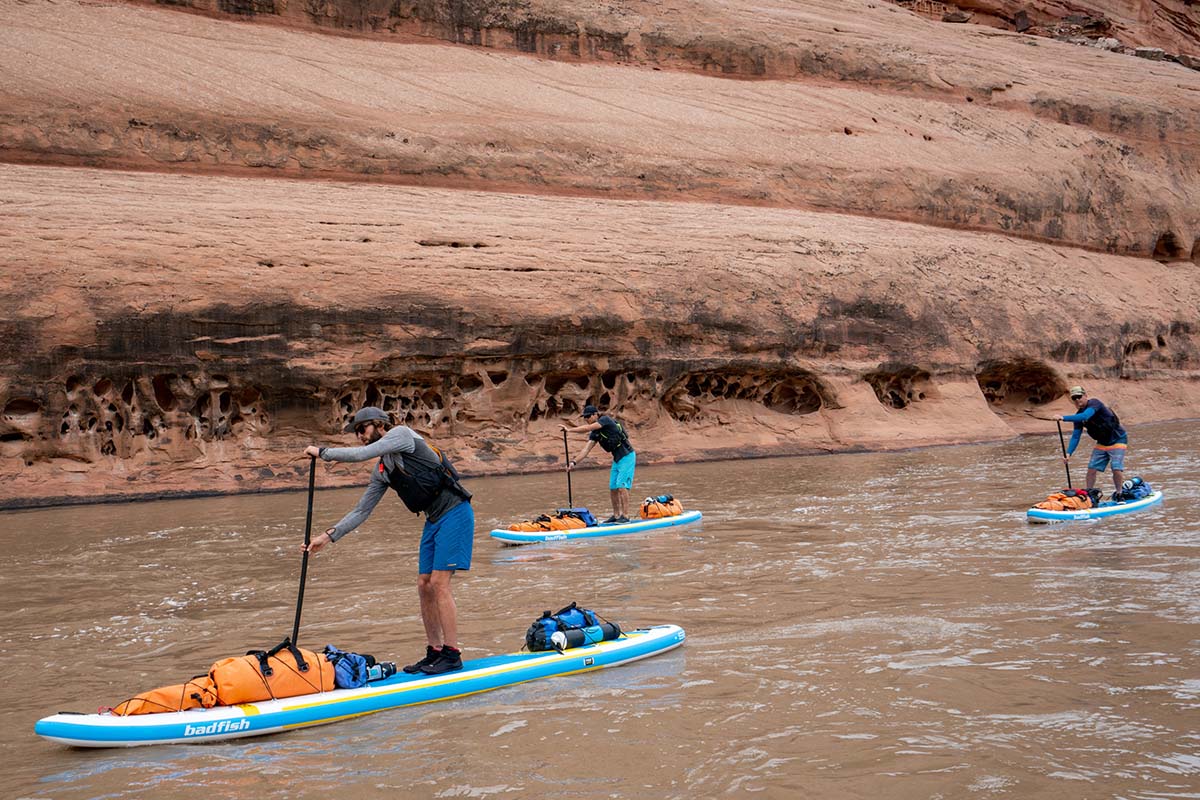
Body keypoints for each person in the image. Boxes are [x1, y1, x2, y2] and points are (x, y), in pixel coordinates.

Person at [301, 406, 474, 676]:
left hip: (455, 512)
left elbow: (360, 455)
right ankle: (435, 651)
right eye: (356, 432)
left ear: (378, 424)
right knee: (423, 584)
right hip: (433, 520)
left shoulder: (402, 435)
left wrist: (322, 452)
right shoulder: (383, 471)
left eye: (361, 429)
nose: (358, 436)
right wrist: (327, 536)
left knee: (439, 583)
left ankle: (452, 655)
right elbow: (361, 511)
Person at [560, 404, 636, 523]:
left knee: (621, 486)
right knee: (613, 488)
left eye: (588, 416)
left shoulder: (604, 420)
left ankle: (625, 516)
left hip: (627, 456)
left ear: (595, 414)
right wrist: (573, 463)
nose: (587, 419)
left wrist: (569, 430)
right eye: (585, 417)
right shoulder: (595, 433)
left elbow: (587, 428)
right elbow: (586, 450)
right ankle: (616, 516)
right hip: (617, 459)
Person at [1055, 386, 1129, 496]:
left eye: (1079, 397)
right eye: (1074, 398)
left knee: (1116, 467)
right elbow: (1076, 436)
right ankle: (1089, 495)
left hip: (1118, 439)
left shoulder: (1095, 403)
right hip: (1102, 442)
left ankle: (1119, 493)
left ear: (1085, 396)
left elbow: (1085, 415)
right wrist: (1069, 453)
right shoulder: (1078, 417)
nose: (1077, 400)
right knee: (1091, 469)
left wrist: (1063, 418)